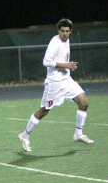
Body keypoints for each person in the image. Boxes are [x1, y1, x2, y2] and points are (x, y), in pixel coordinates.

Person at [18, 18, 94, 152]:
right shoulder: (55, 43)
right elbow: (46, 61)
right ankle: (24, 135)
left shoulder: (67, 40)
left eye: (67, 31)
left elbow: (62, 59)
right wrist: (66, 65)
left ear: (70, 31)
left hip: (67, 80)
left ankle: (78, 134)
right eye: (62, 31)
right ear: (58, 30)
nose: (64, 33)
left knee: (84, 103)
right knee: (44, 111)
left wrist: (69, 66)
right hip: (54, 83)